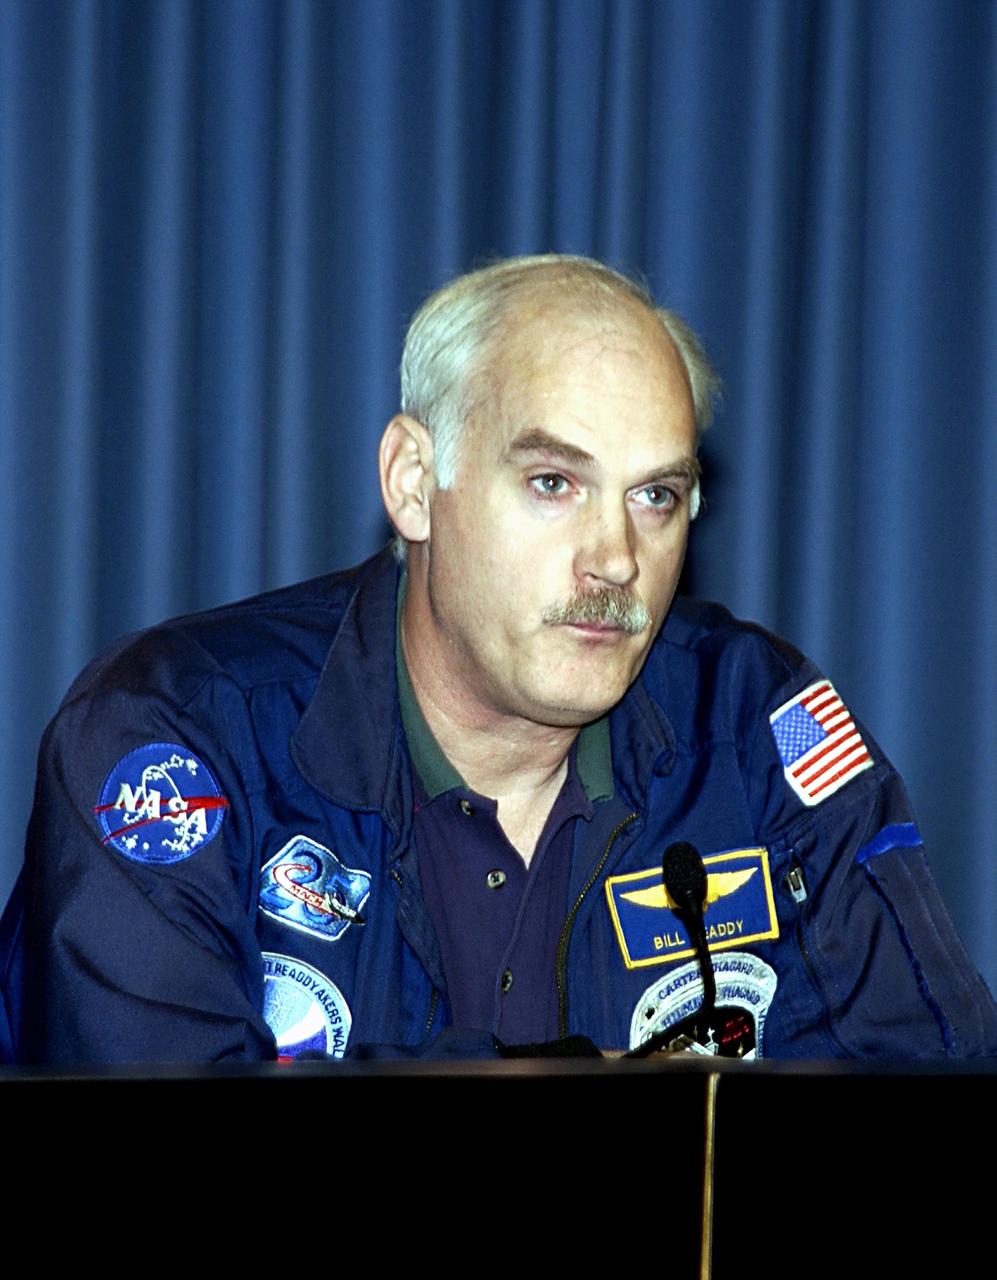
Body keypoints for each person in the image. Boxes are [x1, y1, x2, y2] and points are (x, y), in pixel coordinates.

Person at [2, 254, 995, 1063]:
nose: (615, 559)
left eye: (655, 496)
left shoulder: (757, 726)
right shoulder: (176, 734)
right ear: (413, 480)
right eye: (554, 481)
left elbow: (925, 1070)